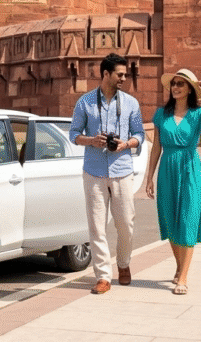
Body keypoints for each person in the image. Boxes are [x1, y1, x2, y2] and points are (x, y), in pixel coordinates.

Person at [69, 53, 145, 294]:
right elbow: (73, 134)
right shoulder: (85, 102)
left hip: (122, 170)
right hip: (94, 171)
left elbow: (140, 134)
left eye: (124, 74)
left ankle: (123, 264)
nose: (124, 77)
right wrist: (92, 140)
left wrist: (127, 144)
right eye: (120, 74)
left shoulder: (131, 103)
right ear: (106, 74)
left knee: (126, 224)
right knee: (97, 226)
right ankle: (103, 275)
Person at [144, 68, 201, 295]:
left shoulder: (198, 114)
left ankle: (183, 277)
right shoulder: (162, 114)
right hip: (167, 169)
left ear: (189, 88)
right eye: (174, 84)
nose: (176, 87)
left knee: (187, 220)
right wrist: (149, 176)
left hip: (190, 168)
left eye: (181, 84)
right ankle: (180, 267)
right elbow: (157, 146)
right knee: (171, 221)